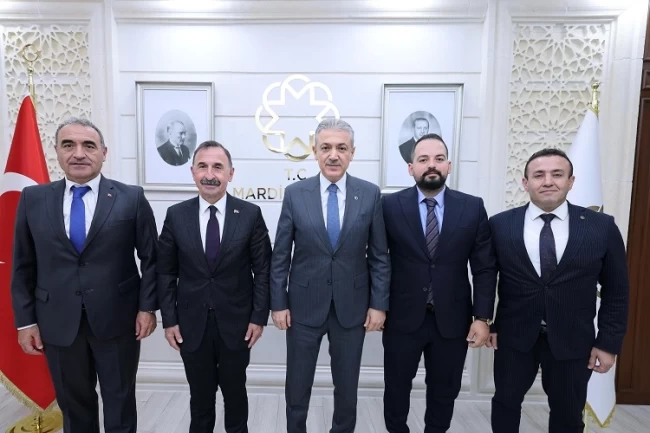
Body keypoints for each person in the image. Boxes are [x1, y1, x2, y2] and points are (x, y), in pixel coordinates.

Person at [11, 117, 158, 433]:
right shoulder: (32, 199)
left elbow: (152, 259)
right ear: (57, 151)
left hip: (118, 320)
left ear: (104, 152)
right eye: (69, 145)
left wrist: (147, 308)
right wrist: (25, 322)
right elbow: (22, 265)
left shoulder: (131, 198)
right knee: (74, 407)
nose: (79, 153)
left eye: (88, 145)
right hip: (57, 321)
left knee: (120, 403)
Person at [487, 148, 630, 433]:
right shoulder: (500, 225)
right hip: (514, 338)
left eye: (557, 174)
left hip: (574, 341)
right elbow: (487, 278)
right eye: (539, 175)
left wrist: (608, 343)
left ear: (570, 181)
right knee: (505, 405)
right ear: (525, 182)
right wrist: (487, 321)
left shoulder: (601, 227)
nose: (548, 181)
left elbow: (617, 290)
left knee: (568, 415)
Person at [270, 118, 390, 433]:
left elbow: (380, 256)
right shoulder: (295, 194)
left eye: (341, 148)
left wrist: (379, 304)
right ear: (315, 152)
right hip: (303, 307)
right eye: (326, 148)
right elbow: (280, 254)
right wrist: (278, 303)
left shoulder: (369, 194)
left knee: (347, 390)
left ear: (352, 153)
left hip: (352, 308)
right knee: (297, 388)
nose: (333, 155)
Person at [381, 133, 497, 433]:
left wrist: (482, 317)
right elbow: (378, 261)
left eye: (439, 158)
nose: (431, 165)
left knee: (445, 391)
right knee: (396, 389)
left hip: (453, 320)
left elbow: (485, 268)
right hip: (402, 318)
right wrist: (377, 305)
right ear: (411, 168)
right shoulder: (389, 206)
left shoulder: (472, 207)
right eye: (423, 159)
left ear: (449, 165)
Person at [157, 140, 272, 433]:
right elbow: (166, 272)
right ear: (192, 172)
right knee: (200, 400)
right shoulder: (176, 215)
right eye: (203, 166)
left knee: (235, 396)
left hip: (237, 324)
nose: (210, 174)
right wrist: (169, 320)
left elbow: (263, 270)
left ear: (231, 173)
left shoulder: (250, 214)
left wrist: (259, 318)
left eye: (218, 167)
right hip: (191, 325)